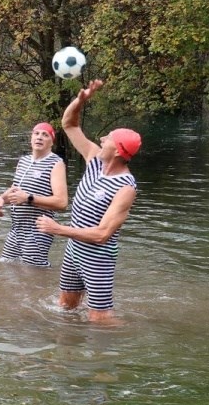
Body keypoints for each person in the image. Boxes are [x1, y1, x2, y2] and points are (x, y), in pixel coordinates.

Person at [36, 80, 140, 324]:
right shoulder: (94, 159)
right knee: (65, 309)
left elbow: (103, 234)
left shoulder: (126, 187)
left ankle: (132, 340)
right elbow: (68, 124)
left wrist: (57, 229)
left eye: (109, 138)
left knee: (99, 319)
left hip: (98, 259)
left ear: (118, 150)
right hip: (74, 252)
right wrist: (80, 100)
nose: (102, 138)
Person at [0, 123, 68, 266]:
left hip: (37, 230)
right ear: (31, 137)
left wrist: (29, 198)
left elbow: (62, 202)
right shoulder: (23, 161)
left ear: (52, 142)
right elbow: (15, 191)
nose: (39, 137)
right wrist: (1, 198)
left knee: (34, 275)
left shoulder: (56, 163)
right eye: (36, 133)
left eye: (45, 135)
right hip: (16, 228)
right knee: (6, 267)